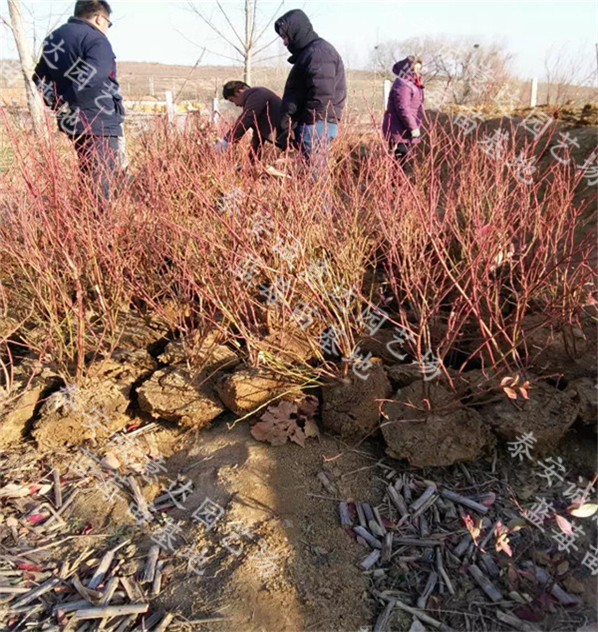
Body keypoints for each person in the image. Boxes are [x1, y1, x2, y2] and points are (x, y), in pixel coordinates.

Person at [33, 0, 125, 201]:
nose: (107, 28)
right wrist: (67, 98)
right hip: (98, 119)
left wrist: (56, 102)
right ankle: (98, 228)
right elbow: (94, 75)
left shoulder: (53, 39)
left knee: (88, 176)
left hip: (72, 122)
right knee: (101, 182)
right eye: (108, 23)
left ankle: (84, 225)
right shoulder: (95, 39)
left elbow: (39, 77)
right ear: (100, 18)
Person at [273, 9, 346, 170]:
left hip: (315, 125)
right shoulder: (310, 53)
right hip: (314, 125)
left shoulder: (318, 53)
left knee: (315, 180)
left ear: (296, 32)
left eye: (286, 37)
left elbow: (321, 93)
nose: (285, 42)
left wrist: (307, 122)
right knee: (311, 178)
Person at [215, 81, 282, 163]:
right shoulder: (257, 96)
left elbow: (246, 119)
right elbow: (258, 135)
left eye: (232, 100)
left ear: (238, 92)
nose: (236, 104)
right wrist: (252, 161)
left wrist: (227, 140)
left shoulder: (257, 94)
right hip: (289, 137)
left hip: (293, 135)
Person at [382, 56, 425, 167]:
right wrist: (413, 127)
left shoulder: (413, 84)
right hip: (400, 129)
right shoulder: (403, 84)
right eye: (416, 69)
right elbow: (403, 108)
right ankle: (395, 184)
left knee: (401, 162)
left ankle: (397, 183)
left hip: (405, 130)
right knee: (399, 163)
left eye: (420, 69)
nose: (418, 72)